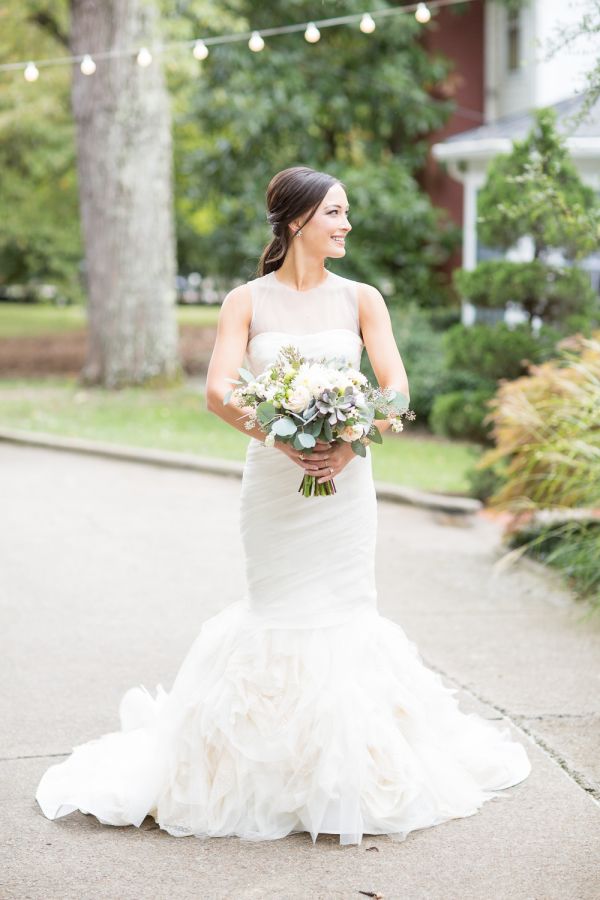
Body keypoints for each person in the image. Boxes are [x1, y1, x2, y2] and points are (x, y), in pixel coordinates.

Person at [35, 165, 531, 846]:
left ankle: (349, 773)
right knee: (276, 610)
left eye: (345, 212)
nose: (345, 224)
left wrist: (349, 439)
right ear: (298, 220)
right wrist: (283, 439)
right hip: (273, 487)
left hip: (346, 490)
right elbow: (218, 391)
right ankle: (266, 772)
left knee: (346, 611)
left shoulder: (363, 299)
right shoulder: (246, 301)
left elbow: (395, 392)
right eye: (334, 213)